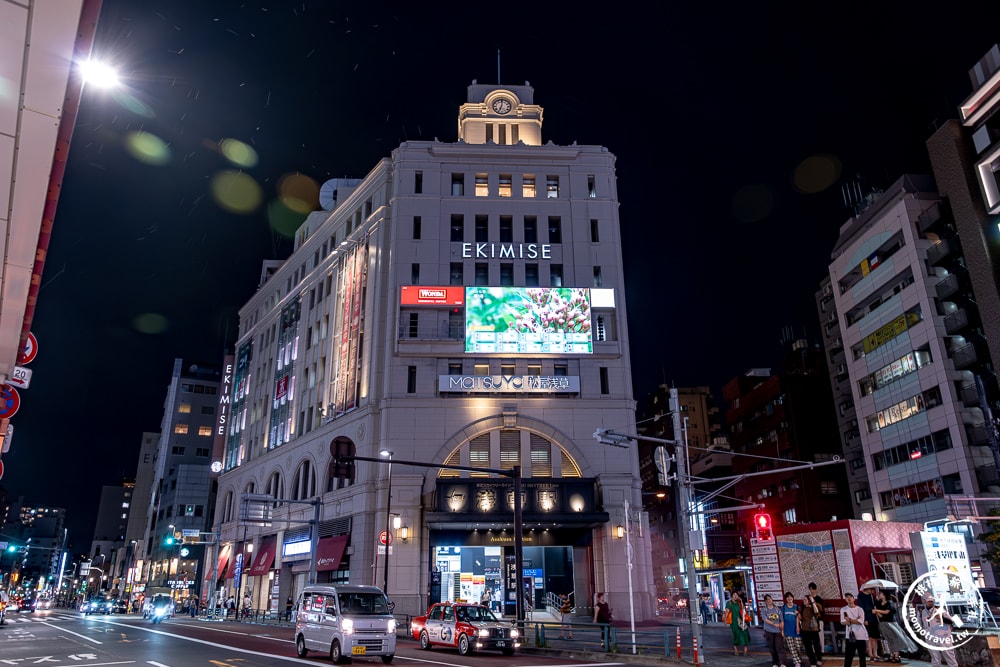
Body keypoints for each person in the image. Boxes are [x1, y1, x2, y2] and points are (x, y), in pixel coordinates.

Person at [873, 589, 916, 663]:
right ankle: (892, 654)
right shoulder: (879, 603)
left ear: (884, 594)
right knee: (889, 640)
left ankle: (897, 655)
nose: (879, 594)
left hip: (891, 623)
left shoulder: (889, 602)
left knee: (896, 638)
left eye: (880, 593)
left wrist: (877, 611)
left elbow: (887, 611)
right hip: (883, 623)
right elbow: (881, 616)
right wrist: (876, 612)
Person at [918, 594, 959, 667]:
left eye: (932, 601)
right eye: (929, 601)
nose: (930, 603)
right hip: (930, 637)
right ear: (925, 602)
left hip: (943, 636)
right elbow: (920, 624)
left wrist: (941, 618)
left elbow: (951, 621)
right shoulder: (921, 612)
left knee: (949, 655)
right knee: (935, 657)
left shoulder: (939, 610)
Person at [841, 593, 869, 667]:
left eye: (850, 597)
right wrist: (855, 620)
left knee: (862, 656)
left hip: (860, 635)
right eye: (847, 597)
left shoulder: (860, 609)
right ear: (845, 599)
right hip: (850, 635)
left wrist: (850, 620)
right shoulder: (843, 609)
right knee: (848, 656)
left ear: (854, 598)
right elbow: (843, 622)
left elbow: (860, 621)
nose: (849, 599)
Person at [759, 594, 785, 667]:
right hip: (769, 631)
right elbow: (765, 619)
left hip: (777, 631)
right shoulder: (764, 609)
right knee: (772, 648)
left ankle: (782, 663)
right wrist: (774, 624)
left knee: (780, 647)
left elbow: (781, 620)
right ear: (765, 601)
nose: (769, 601)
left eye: (770, 599)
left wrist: (782, 630)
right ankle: (775, 663)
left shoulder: (777, 609)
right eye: (767, 600)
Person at [801, 585, 824, 666]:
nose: (804, 601)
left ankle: (819, 658)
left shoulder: (813, 607)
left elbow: (817, 612)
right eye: (803, 600)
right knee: (808, 648)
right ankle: (813, 662)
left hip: (814, 630)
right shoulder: (802, 608)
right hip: (805, 630)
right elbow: (800, 617)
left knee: (817, 646)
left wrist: (813, 602)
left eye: (805, 600)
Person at [782, 591, 806, 667]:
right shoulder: (783, 608)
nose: (789, 598)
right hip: (787, 630)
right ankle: (797, 662)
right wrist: (782, 630)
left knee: (798, 647)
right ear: (786, 599)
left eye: (790, 597)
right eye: (788, 597)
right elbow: (781, 620)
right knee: (792, 647)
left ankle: (799, 659)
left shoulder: (797, 607)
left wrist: (798, 614)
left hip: (796, 630)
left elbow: (801, 618)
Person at [857, 586, 880, 660]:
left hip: (874, 618)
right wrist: (865, 619)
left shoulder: (872, 596)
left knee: (875, 637)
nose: (872, 591)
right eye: (871, 589)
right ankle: (871, 654)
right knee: (869, 637)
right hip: (867, 617)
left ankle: (875, 653)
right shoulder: (860, 595)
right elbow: (861, 608)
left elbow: (875, 605)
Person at [726, 591, 751, 656]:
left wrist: (741, 601)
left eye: (736, 595)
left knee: (745, 633)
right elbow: (727, 611)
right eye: (734, 595)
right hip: (734, 622)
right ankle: (736, 650)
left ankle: (745, 651)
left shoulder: (739, 603)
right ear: (732, 596)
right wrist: (725, 620)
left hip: (742, 621)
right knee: (736, 635)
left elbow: (743, 610)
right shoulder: (729, 603)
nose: (735, 596)